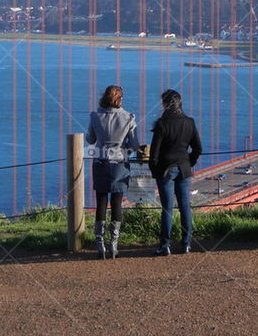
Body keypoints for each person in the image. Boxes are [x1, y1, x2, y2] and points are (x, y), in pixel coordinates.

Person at [86, 85, 139, 259]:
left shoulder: (95, 116)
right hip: (119, 164)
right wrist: (126, 150)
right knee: (117, 202)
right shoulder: (129, 117)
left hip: (100, 162)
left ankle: (99, 244)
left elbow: (91, 139)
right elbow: (134, 145)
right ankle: (114, 244)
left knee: (101, 201)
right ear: (119, 99)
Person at [149, 89, 202, 255]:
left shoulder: (162, 124)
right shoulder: (190, 122)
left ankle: (165, 246)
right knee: (185, 206)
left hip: (166, 170)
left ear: (165, 104)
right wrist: (189, 162)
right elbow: (198, 149)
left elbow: (154, 155)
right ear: (180, 103)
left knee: (167, 208)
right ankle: (186, 244)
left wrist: (156, 172)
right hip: (184, 169)